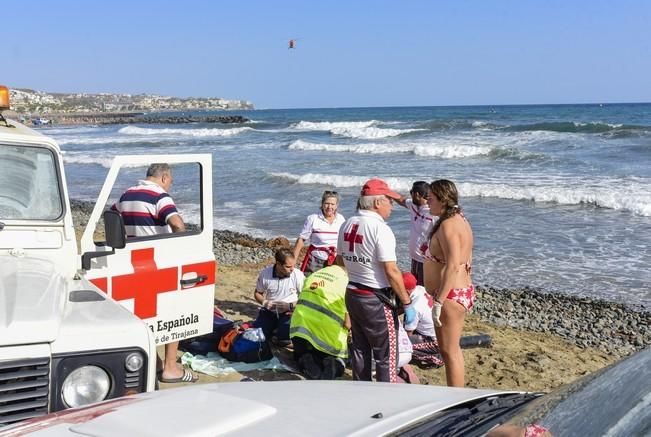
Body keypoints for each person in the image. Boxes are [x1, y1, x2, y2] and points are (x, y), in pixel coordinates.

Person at [112, 163, 197, 384]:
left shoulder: (126, 195)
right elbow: (177, 225)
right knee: (174, 314)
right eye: (171, 182)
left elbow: (111, 219)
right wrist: (183, 251)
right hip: (159, 262)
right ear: (164, 177)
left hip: (134, 261)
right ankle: (170, 368)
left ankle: (156, 362)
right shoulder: (160, 196)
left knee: (146, 315)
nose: (170, 186)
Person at [336, 178, 416, 383]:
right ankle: (386, 398)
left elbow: (340, 261)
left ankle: (362, 390)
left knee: (360, 350)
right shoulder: (380, 229)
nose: (392, 205)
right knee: (386, 356)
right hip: (375, 299)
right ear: (377, 203)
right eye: (389, 200)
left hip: (353, 293)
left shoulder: (346, 224)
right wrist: (407, 303)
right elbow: (391, 270)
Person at [423, 179, 474, 387]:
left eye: (431, 198)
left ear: (443, 200)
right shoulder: (459, 219)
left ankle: (456, 397)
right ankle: (457, 393)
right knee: (451, 349)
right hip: (459, 290)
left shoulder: (448, 226)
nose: (427, 201)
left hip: (451, 295)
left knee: (449, 351)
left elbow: (453, 265)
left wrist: (439, 302)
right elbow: (466, 255)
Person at [289, 265, 350, 380]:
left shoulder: (315, 274)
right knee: (340, 360)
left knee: (300, 355)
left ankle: (305, 358)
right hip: (326, 337)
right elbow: (348, 324)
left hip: (299, 330)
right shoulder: (346, 283)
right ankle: (335, 364)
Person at [253, 248, 305, 345]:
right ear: (278, 264)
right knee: (259, 336)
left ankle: (279, 330)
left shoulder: (298, 275)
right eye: (288, 266)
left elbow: (305, 299)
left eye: (293, 265)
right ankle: (274, 328)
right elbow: (257, 293)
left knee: (284, 340)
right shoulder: (265, 273)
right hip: (270, 310)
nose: (292, 269)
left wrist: (290, 306)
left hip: (290, 311)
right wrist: (265, 303)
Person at [292, 190, 345, 275]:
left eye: (332, 204)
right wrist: (293, 261)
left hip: (335, 260)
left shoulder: (341, 219)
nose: (329, 207)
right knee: (310, 286)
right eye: (327, 203)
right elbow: (301, 240)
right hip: (315, 260)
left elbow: (344, 241)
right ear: (322, 204)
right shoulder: (313, 218)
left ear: (336, 206)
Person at [396, 181, 435, 285]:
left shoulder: (433, 213)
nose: (410, 194)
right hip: (415, 259)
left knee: (425, 291)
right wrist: (385, 191)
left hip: (427, 262)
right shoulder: (413, 205)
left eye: (411, 192)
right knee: (415, 289)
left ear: (416, 194)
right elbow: (401, 200)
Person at [401, 272, 436, 342]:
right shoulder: (420, 288)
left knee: (400, 339)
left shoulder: (414, 308)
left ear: (406, 291)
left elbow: (408, 333)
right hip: (436, 330)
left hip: (429, 337)